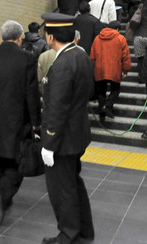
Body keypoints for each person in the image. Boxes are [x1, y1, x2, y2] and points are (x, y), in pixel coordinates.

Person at [0, 20, 41, 225]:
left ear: (1, 37)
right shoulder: (27, 59)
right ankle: (1, 195)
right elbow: (32, 94)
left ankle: (3, 196)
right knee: (16, 162)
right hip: (18, 120)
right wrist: (35, 121)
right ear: (20, 38)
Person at [39, 13, 94, 244]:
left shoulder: (62, 64)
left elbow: (58, 108)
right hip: (77, 133)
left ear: (51, 37)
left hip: (63, 139)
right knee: (74, 183)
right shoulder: (80, 56)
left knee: (62, 189)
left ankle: (68, 234)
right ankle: (84, 231)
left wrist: (49, 144)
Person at [90, 21, 132, 122]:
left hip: (99, 70)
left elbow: (92, 56)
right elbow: (125, 56)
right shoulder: (120, 39)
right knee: (116, 89)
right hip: (114, 70)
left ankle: (102, 116)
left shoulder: (97, 38)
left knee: (101, 92)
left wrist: (93, 68)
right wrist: (126, 69)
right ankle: (107, 107)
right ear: (117, 29)